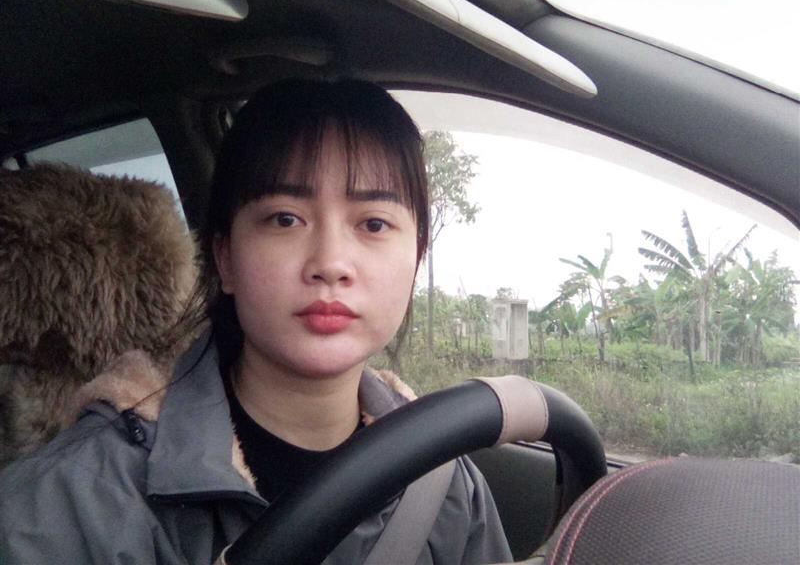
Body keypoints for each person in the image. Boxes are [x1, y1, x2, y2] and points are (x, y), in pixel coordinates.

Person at [0, 79, 512, 564]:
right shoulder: (71, 506)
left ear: (416, 258)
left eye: (374, 223)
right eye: (285, 219)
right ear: (224, 258)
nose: (330, 262)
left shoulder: (444, 481)